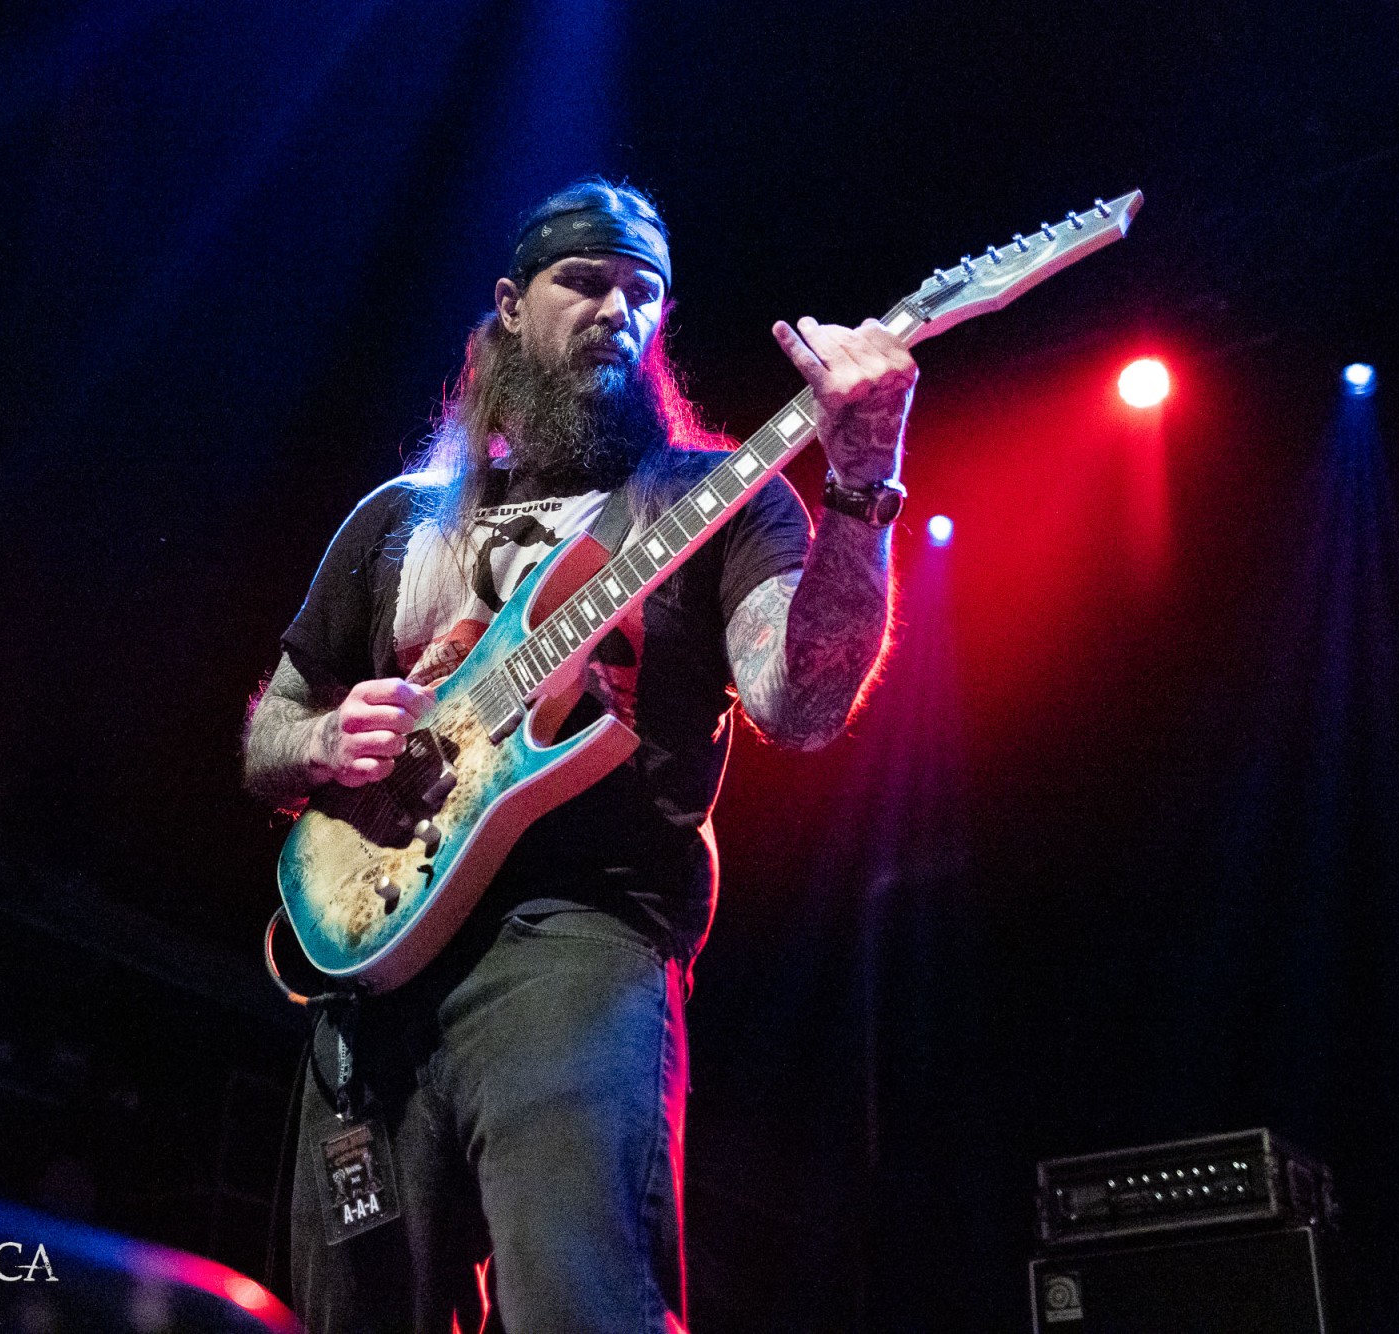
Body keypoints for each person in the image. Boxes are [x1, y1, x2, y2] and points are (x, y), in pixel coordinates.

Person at [242, 177, 915, 1334]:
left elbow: (801, 704)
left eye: (642, 291)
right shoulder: (397, 518)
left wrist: (859, 483)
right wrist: (325, 738)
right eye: (584, 281)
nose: (617, 309)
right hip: (373, 963)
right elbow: (270, 736)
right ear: (511, 305)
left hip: (579, 939)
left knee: (581, 1304)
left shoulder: (713, 500)